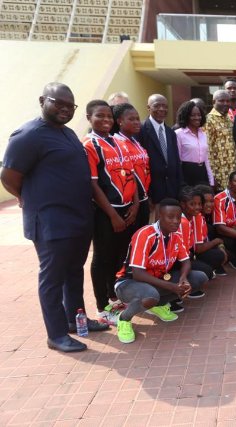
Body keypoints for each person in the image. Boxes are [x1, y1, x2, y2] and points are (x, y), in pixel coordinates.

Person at [1, 83, 107, 352]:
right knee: (52, 279)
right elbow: (9, 177)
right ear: (42, 101)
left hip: (78, 219)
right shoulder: (28, 135)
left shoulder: (68, 133)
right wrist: (29, 199)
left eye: (69, 106)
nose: (64, 109)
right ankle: (56, 334)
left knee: (74, 273)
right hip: (51, 223)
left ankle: (76, 320)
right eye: (57, 103)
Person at [113, 198, 207, 343]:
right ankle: (124, 318)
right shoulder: (145, 234)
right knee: (151, 295)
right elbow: (137, 273)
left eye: (178, 217)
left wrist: (183, 278)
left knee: (199, 278)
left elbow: (186, 261)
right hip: (129, 283)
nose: (176, 221)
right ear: (159, 216)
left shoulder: (175, 235)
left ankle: (157, 305)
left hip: (156, 280)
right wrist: (172, 287)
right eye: (170, 217)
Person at [83, 100, 139, 326]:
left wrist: (135, 205)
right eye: (100, 116)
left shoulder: (117, 142)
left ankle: (114, 297)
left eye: (108, 116)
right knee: (102, 258)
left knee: (119, 256)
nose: (105, 120)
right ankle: (101, 306)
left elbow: (131, 175)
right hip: (106, 212)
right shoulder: (89, 145)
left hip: (127, 209)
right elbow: (93, 185)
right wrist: (113, 215)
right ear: (89, 117)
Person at [112, 103, 151, 230]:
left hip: (143, 199)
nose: (136, 122)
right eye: (131, 119)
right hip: (132, 203)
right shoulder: (116, 143)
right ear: (119, 121)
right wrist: (136, 202)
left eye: (137, 119)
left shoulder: (135, 141)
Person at [178, 187, 226, 292]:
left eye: (199, 204)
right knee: (205, 273)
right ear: (183, 204)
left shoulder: (197, 216)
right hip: (176, 261)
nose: (197, 207)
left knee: (210, 266)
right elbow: (193, 250)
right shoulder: (181, 222)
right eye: (192, 204)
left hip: (187, 256)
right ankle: (182, 290)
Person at [138, 94, 183, 205]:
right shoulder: (141, 130)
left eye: (165, 106)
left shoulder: (170, 132)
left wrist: (180, 187)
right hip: (152, 192)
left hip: (171, 190)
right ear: (148, 108)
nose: (162, 109)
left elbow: (176, 161)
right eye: (157, 106)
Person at [175, 101, 215, 187]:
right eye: (193, 115)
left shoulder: (203, 134)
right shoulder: (178, 134)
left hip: (202, 173)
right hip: (187, 174)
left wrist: (211, 181)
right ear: (186, 116)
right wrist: (181, 182)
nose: (197, 117)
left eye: (199, 115)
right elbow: (177, 161)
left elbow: (207, 159)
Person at [205, 89, 236, 192]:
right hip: (218, 174)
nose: (226, 104)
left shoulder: (229, 119)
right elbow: (207, 149)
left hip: (231, 172)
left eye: (228, 101)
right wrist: (211, 176)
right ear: (214, 102)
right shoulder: (208, 120)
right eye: (221, 101)